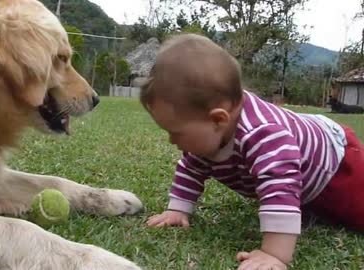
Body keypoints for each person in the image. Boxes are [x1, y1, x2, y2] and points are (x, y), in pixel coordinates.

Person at [140, 33, 364, 270]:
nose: (171, 140)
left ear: (218, 119)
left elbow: (280, 185)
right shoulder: (206, 136)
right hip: (303, 173)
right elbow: (191, 168)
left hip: (337, 165)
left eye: (176, 132)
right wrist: (177, 209)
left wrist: (274, 254)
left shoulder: (263, 135)